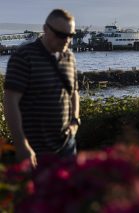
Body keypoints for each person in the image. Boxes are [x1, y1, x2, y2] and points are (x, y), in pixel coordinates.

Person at [4, 9, 80, 167]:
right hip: (34, 148)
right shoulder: (24, 57)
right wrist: (21, 145)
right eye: (60, 34)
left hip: (67, 145)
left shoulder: (69, 57)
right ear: (45, 29)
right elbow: (10, 102)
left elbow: (74, 92)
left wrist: (75, 121)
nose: (66, 40)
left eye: (71, 35)